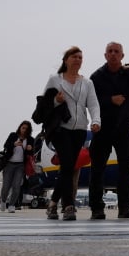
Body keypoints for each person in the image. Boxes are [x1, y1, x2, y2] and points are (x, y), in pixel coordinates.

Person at [88, 42, 129, 220]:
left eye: (117, 52)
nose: (113, 54)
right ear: (105, 55)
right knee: (98, 170)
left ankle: (124, 206)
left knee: (126, 168)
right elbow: (90, 102)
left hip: (124, 128)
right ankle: (96, 208)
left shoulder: (128, 75)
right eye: (110, 51)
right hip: (103, 128)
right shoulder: (97, 77)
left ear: (122, 56)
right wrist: (110, 100)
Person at [43, 46, 100, 221]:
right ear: (66, 60)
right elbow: (43, 103)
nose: (78, 60)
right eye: (74, 56)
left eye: (80, 57)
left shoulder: (87, 83)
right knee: (68, 165)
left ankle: (53, 203)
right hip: (61, 129)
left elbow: (93, 104)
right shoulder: (55, 80)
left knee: (68, 168)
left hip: (80, 129)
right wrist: (55, 100)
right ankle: (69, 206)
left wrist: (96, 121)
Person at [0, 121, 35, 214]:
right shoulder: (13, 135)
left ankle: (11, 205)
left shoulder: (30, 139)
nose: (24, 130)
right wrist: (14, 144)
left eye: (26, 129)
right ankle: (3, 201)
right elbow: (5, 145)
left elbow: (32, 153)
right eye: (23, 128)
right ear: (20, 127)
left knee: (16, 186)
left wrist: (30, 149)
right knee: (6, 186)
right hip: (9, 164)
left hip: (20, 165)